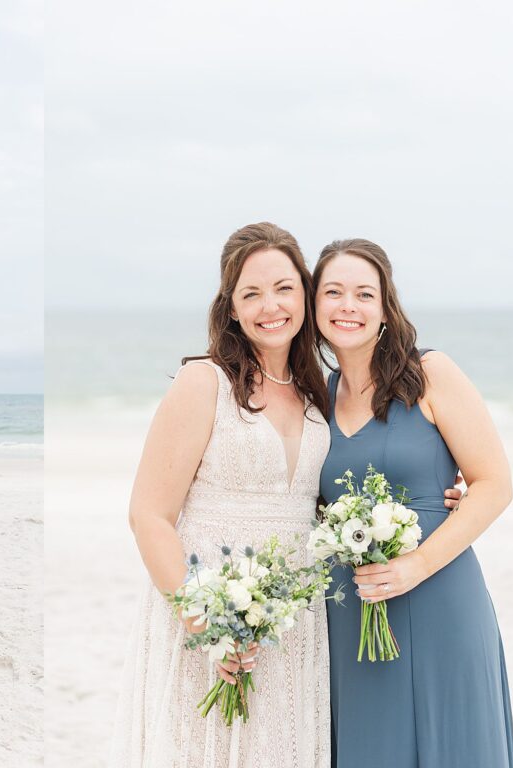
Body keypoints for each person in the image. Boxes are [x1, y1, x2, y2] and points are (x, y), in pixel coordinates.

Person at [111, 222, 334, 767]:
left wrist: (442, 492)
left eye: (283, 288)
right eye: (251, 293)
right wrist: (205, 621)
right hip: (207, 606)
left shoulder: (318, 393)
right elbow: (148, 515)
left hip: (294, 617)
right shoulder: (202, 383)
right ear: (231, 307)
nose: (270, 306)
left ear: (304, 293)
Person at [313, 239, 513, 767]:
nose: (347, 306)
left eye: (364, 293)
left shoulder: (430, 373)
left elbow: (494, 483)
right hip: (353, 612)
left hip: (440, 595)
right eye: (333, 292)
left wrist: (417, 564)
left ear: (385, 309)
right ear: (314, 308)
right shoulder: (317, 398)